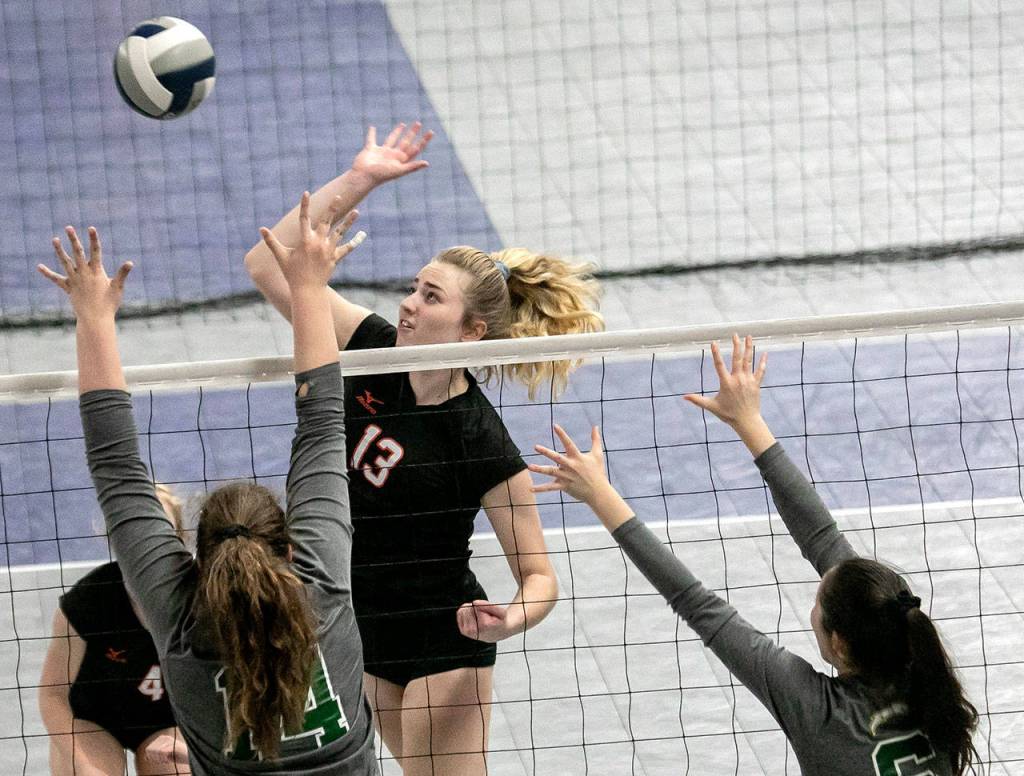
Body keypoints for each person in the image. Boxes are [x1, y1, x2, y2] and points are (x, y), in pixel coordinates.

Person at [245, 122, 603, 775]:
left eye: (429, 297)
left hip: (447, 639)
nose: (408, 305)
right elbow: (269, 264)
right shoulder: (371, 347)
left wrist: (508, 621)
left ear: (473, 329)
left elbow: (541, 577)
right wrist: (362, 179)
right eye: (413, 288)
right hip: (362, 630)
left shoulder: (478, 438)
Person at [529, 334, 980, 775]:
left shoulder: (817, 711)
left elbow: (700, 605)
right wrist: (748, 421)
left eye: (818, 604)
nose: (814, 603)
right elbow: (821, 539)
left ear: (839, 643)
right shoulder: (921, 676)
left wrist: (600, 495)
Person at [38, 196, 379, 774]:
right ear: (292, 549)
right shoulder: (322, 589)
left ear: (197, 557)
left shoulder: (178, 618)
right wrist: (309, 289)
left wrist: (93, 318)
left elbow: (117, 467)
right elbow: (323, 422)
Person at [38, 485, 191, 776]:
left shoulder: (202, 602)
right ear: (115, 541)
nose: (147, 544)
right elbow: (52, 693)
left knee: (177, 769)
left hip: (169, 721)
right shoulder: (87, 602)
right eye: (133, 533)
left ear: (179, 538)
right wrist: (78, 754)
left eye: (158, 530)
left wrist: (201, 750)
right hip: (96, 719)